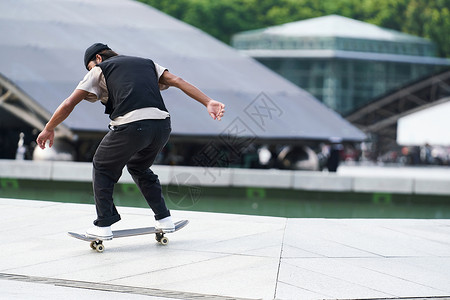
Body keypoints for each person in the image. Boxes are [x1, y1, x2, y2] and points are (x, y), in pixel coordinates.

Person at [36, 43, 225, 240]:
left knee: (102, 166)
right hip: (162, 126)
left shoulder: (100, 69)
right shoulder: (147, 63)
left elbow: (69, 103)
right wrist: (208, 101)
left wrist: (49, 128)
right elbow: (177, 80)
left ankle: (104, 225)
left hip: (131, 125)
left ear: (98, 58)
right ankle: (164, 219)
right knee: (139, 167)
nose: (91, 72)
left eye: (90, 67)